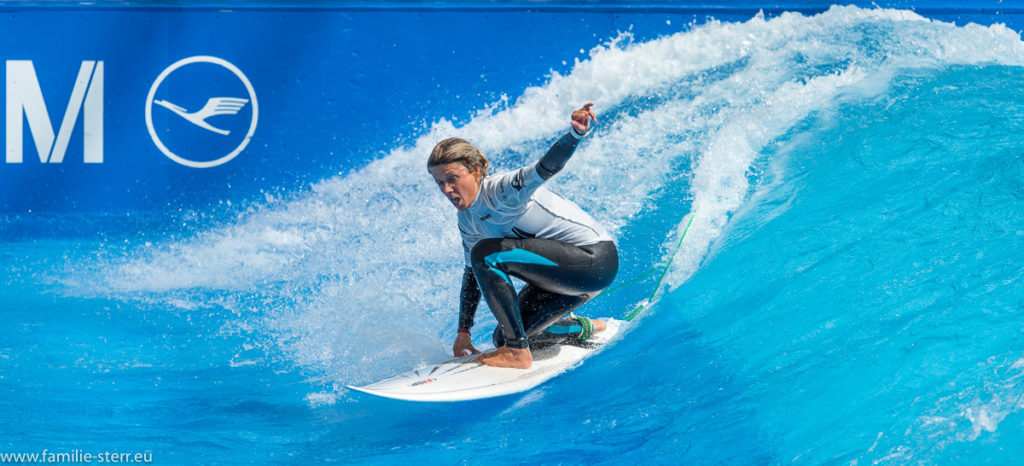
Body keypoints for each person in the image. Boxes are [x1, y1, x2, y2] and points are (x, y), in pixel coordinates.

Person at [427, 103, 619, 369]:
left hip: (594, 261)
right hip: (562, 283)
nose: (447, 189)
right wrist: (464, 332)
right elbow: (472, 274)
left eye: (453, 178)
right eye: (440, 183)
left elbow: (547, 167)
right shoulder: (467, 220)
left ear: (475, 170)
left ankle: (518, 352)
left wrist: (575, 134)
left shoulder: (502, 190)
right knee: (503, 335)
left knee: (486, 253)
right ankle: (582, 328)